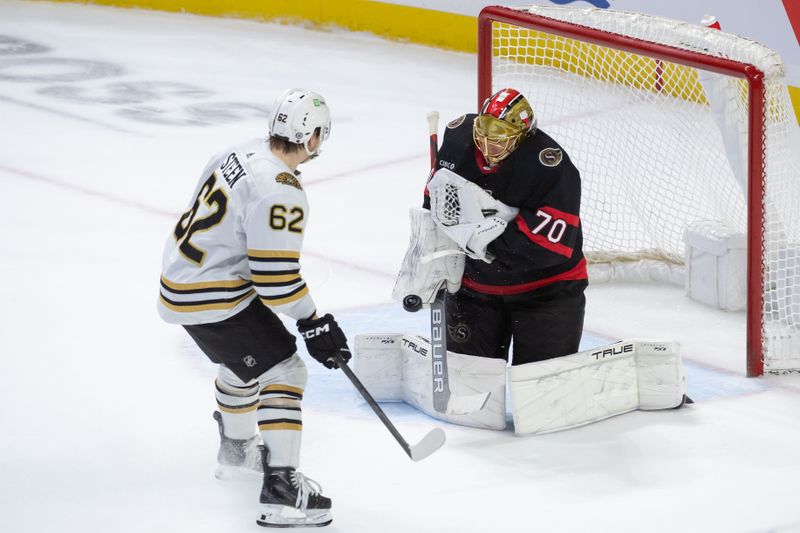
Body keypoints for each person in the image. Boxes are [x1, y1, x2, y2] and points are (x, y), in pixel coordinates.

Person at [157, 88, 350, 528]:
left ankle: (237, 451)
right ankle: (282, 491)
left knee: (245, 364)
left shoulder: (238, 150)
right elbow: (275, 280)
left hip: (181, 284)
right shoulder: (282, 189)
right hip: (213, 293)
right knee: (285, 371)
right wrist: (313, 321)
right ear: (313, 137)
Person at [424, 87, 587, 368]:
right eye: (483, 135)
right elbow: (434, 201)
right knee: (470, 393)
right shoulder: (459, 139)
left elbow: (549, 248)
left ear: (522, 138)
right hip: (475, 291)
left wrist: (481, 243)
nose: (488, 146)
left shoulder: (550, 166)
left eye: (499, 140)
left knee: (542, 397)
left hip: (545, 293)